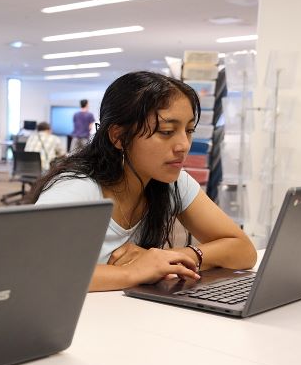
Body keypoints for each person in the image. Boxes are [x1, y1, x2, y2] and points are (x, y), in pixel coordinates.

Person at [32, 71, 256, 292]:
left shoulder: (174, 182)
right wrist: (133, 272)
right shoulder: (76, 188)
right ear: (118, 137)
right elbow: (33, 271)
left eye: (188, 130)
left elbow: (244, 250)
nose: (184, 145)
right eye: (167, 131)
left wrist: (170, 257)